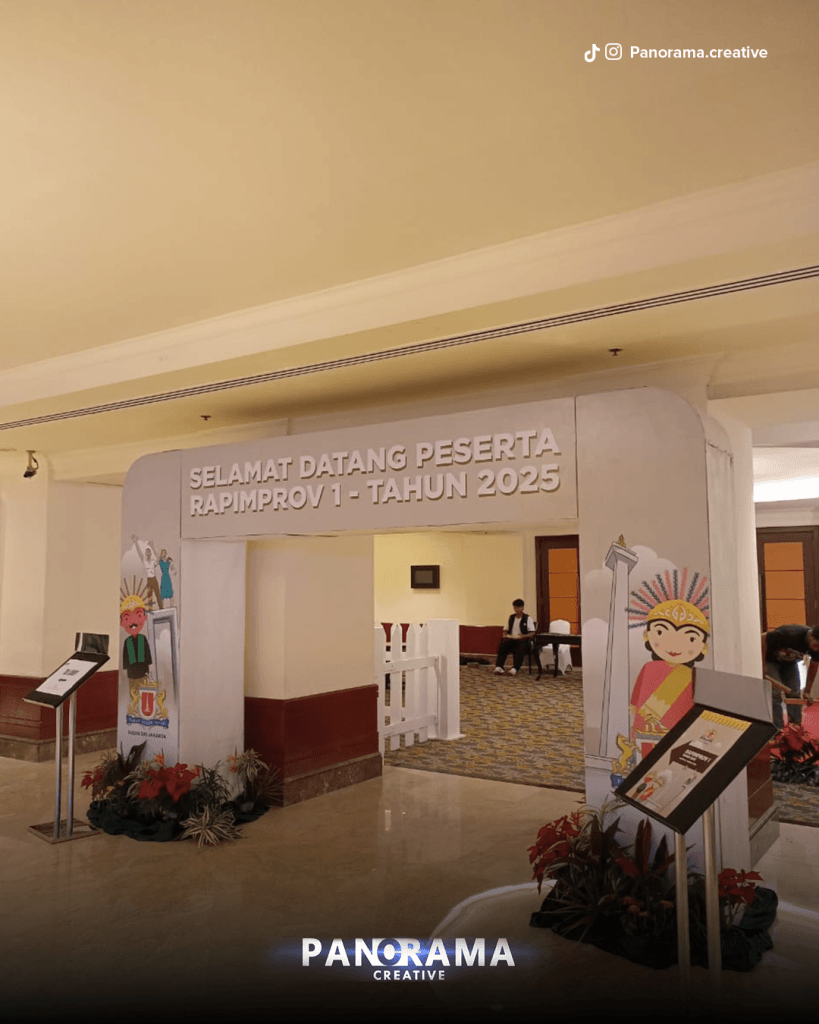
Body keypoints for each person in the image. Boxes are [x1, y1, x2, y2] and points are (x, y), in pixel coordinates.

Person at [628, 592, 710, 761]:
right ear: (648, 636)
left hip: (679, 725)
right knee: (644, 759)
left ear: (703, 646)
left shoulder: (692, 675)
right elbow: (637, 695)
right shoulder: (649, 668)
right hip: (645, 726)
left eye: (690, 637)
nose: (675, 644)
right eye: (661, 631)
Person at [762, 624, 819, 729]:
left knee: (794, 693)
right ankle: (777, 729)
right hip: (771, 660)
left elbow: (813, 667)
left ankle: (795, 728)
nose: (816, 649)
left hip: (789, 663)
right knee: (775, 694)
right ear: (811, 636)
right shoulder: (791, 634)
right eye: (816, 645)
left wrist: (807, 691)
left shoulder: (817, 647)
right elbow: (763, 637)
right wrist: (763, 665)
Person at [494, 599, 536, 676]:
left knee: (521, 647)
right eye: (516, 607)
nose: (517, 609)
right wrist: (505, 634)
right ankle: (499, 667)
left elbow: (532, 633)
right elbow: (505, 630)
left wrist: (524, 636)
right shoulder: (511, 617)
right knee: (503, 645)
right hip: (512, 639)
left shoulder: (527, 618)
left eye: (519, 607)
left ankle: (515, 668)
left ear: (522, 608)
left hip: (523, 641)